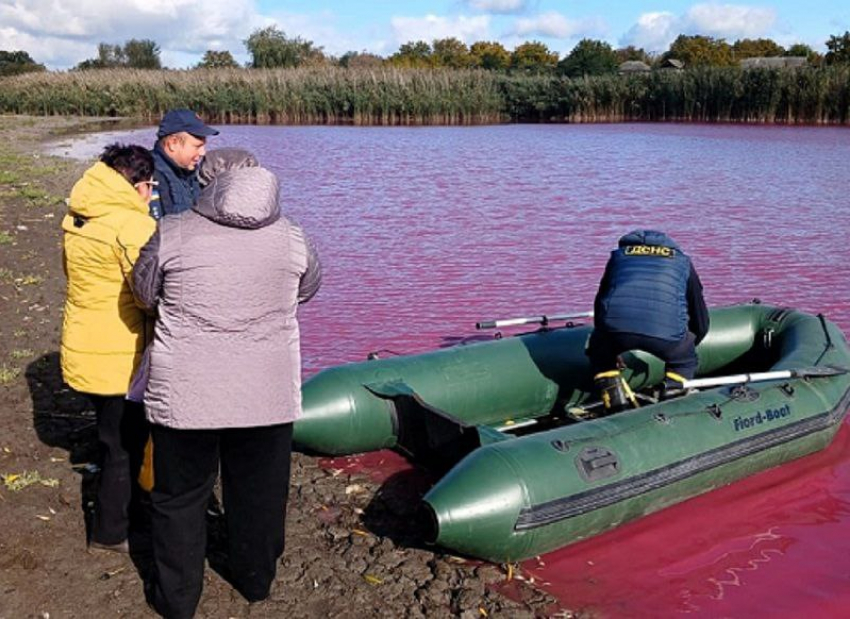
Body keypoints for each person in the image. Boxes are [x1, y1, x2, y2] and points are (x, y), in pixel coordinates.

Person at [133, 150, 321, 618]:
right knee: (260, 494)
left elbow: (143, 290)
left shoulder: (174, 231)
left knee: (179, 498)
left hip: (186, 395)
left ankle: (177, 600)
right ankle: (255, 582)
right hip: (267, 393)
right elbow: (309, 287)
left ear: (208, 184)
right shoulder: (293, 237)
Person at [60, 143, 158, 552]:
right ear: (136, 184)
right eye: (150, 187)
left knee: (110, 438)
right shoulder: (131, 227)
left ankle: (115, 520)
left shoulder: (79, 216)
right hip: (118, 354)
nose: (152, 196)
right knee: (125, 446)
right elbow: (148, 294)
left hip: (83, 343)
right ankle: (111, 532)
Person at [587, 229, 709, 411]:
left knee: (599, 354)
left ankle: (616, 408)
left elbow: (602, 301)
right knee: (684, 361)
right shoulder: (682, 262)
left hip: (614, 331)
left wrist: (606, 341)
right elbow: (698, 309)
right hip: (667, 336)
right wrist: (693, 340)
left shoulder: (618, 258)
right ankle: (669, 409)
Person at [150, 108, 219, 219]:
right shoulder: (149, 177)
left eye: (204, 146)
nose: (203, 152)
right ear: (172, 144)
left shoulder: (190, 171)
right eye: (197, 146)